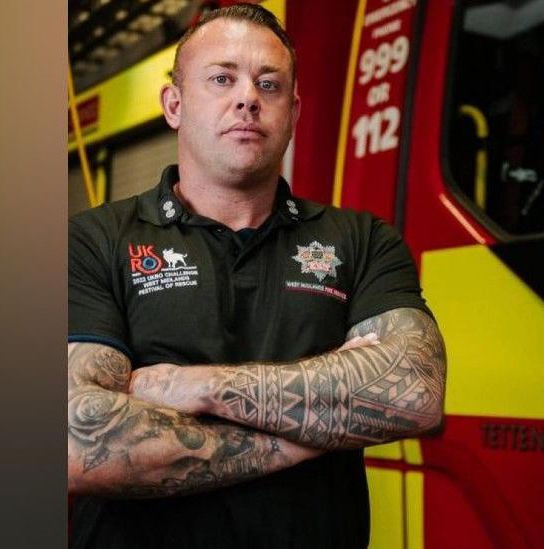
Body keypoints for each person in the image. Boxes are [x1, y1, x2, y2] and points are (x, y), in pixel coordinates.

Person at [67, 4, 447, 548]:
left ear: (292, 114)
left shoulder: (361, 240)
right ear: (174, 104)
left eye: (268, 85)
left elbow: (415, 392)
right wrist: (320, 426)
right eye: (222, 78)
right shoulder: (90, 241)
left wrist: (193, 386)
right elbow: (81, 442)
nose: (248, 97)